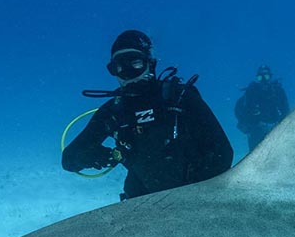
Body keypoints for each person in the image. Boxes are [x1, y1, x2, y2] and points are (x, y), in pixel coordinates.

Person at [61, 30, 233, 200]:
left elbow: (223, 154)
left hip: (195, 197)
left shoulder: (179, 99)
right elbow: (68, 160)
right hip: (143, 205)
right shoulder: (114, 111)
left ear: (151, 64)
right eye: (119, 66)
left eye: (135, 63)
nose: (128, 73)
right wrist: (94, 156)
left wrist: (188, 191)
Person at [234, 65, 290, 151]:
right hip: (256, 130)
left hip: (276, 128)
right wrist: (247, 126)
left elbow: (286, 109)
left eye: (266, 76)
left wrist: (283, 124)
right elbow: (239, 110)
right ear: (257, 78)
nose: (264, 80)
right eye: (260, 77)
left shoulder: (278, 91)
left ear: (270, 77)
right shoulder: (251, 92)